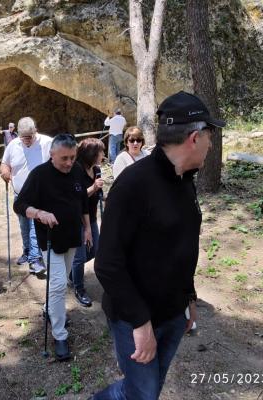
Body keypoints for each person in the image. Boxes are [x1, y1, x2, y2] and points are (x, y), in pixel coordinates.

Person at [92, 91, 226, 400]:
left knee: (146, 391)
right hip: (135, 319)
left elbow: (180, 247)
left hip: (173, 314)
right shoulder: (133, 185)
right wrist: (140, 323)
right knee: (142, 394)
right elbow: (107, 264)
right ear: (194, 137)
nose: (211, 143)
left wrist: (189, 296)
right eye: (210, 135)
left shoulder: (184, 180)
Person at [14, 134, 92, 360]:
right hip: (49, 239)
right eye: (64, 158)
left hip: (72, 236)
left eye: (72, 157)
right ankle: (60, 335)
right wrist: (39, 213)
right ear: (52, 154)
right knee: (58, 285)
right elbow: (19, 204)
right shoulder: (39, 175)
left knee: (61, 279)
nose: (68, 163)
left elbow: (83, 202)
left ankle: (50, 309)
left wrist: (87, 228)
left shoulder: (76, 170)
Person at [0, 117, 52, 275]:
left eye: (30, 137)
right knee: (24, 226)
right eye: (24, 137)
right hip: (19, 195)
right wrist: (5, 172)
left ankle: (35, 259)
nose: (27, 140)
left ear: (35, 130)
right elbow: (4, 163)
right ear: (18, 134)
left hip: (39, 195)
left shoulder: (47, 142)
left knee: (34, 226)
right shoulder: (13, 144)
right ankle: (27, 251)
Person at [69, 138, 105, 307]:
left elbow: (98, 194)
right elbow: (76, 197)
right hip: (77, 219)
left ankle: (70, 272)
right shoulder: (76, 170)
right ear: (92, 154)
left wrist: (103, 193)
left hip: (91, 216)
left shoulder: (96, 169)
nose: (103, 155)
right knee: (79, 257)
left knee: (95, 250)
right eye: (101, 152)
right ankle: (79, 288)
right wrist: (94, 188)